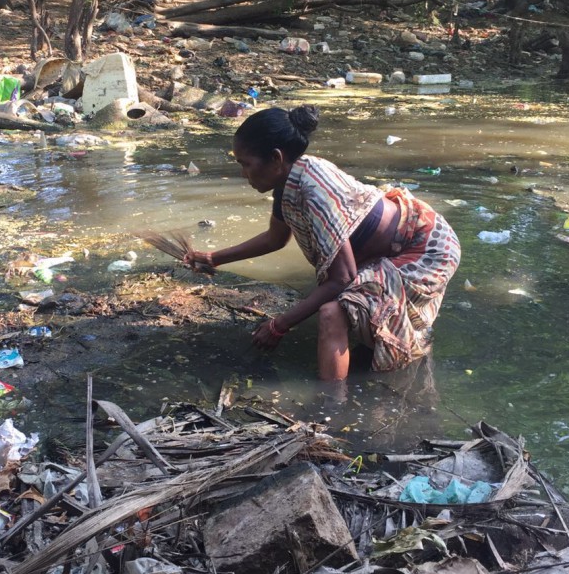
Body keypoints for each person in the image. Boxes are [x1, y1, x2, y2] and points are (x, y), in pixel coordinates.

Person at [185, 105, 460, 383]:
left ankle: (332, 409)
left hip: (425, 249)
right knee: (356, 312)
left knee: (333, 314)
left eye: (246, 164)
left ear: (276, 158)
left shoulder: (315, 189)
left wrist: (279, 326)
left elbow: (341, 279)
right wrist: (214, 257)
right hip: (395, 244)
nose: (244, 174)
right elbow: (275, 239)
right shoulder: (290, 180)